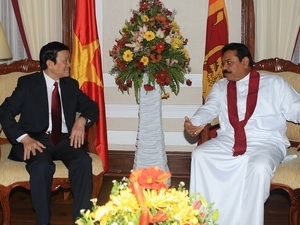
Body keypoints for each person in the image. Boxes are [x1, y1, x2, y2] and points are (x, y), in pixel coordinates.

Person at [184, 43, 300, 225]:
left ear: (245, 62)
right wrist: (196, 122)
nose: (224, 68)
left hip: (266, 142)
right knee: (200, 154)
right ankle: (205, 219)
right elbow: (210, 107)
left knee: (260, 167)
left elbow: (296, 108)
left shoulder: (274, 84)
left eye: (229, 62)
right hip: (228, 140)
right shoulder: (222, 86)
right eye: (223, 63)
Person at [0, 41, 99, 225]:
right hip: (35, 139)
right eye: (66, 60)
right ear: (50, 63)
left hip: (63, 140)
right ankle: (43, 222)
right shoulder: (27, 84)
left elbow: (91, 107)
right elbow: (4, 111)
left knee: (83, 161)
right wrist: (24, 138)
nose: (69, 64)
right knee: (42, 167)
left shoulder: (70, 85)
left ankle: (82, 220)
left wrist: (81, 120)